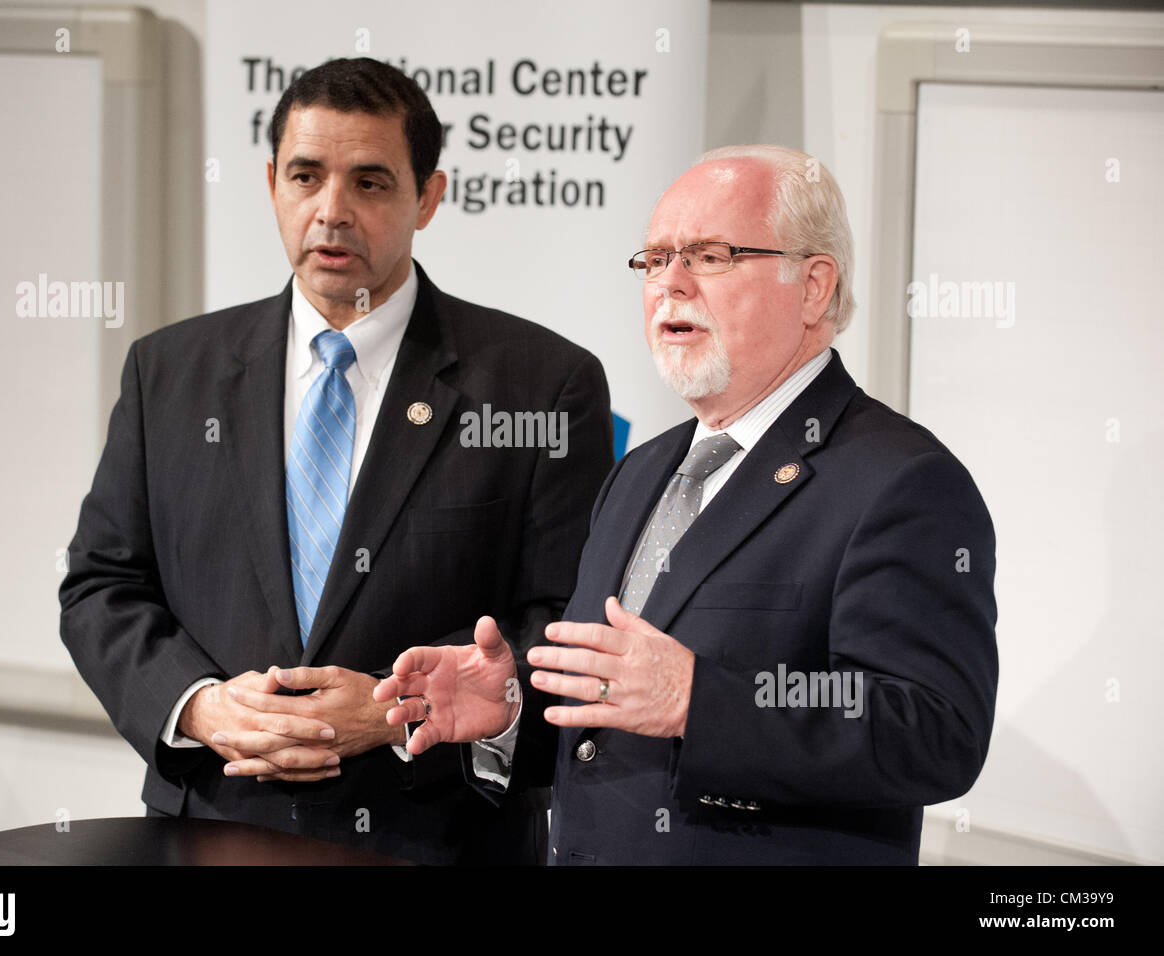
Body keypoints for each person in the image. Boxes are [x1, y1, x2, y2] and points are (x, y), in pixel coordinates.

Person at [375, 145, 999, 865]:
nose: (670, 283)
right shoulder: (640, 471)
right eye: (654, 259)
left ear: (813, 286)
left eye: (710, 255)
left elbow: (933, 731)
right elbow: (612, 727)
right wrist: (510, 712)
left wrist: (701, 700)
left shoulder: (901, 482)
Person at [58, 57, 613, 864]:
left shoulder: (541, 383)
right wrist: (202, 706)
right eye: (307, 176)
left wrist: (399, 709)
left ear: (429, 197)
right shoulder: (169, 370)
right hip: (208, 825)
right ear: (271, 182)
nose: (332, 212)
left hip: (433, 837)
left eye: (371, 183)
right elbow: (102, 586)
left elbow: (562, 628)